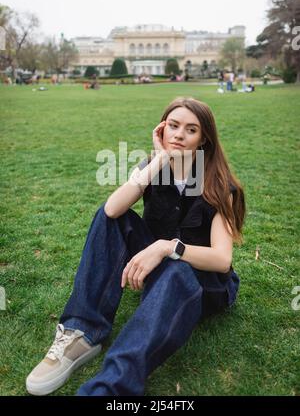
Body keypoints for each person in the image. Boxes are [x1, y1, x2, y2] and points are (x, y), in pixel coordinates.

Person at [26, 97, 246, 396]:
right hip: (159, 267)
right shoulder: (153, 167)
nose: (179, 134)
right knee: (111, 218)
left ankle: (110, 387)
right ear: (161, 130)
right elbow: (112, 210)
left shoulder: (221, 185)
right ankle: (83, 332)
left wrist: (168, 247)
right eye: (173, 126)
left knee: (177, 273)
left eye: (191, 130)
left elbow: (221, 260)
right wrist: (158, 160)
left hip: (200, 282)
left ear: (204, 137)